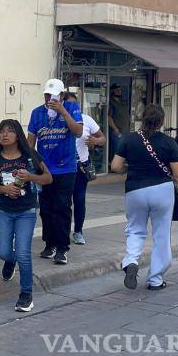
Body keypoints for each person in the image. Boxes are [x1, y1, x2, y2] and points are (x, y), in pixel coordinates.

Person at [111, 105, 178, 291]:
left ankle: (131, 261)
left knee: (135, 229)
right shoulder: (169, 142)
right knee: (161, 234)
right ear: (161, 122)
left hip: (135, 190)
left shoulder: (128, 139)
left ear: (142, 119)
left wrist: (132, 167)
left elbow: (115, 166)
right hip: (162, 190)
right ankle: (155, 279)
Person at [0, 119, 52, 312]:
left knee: (23, 253)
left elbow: (48, 178)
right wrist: (5, 189)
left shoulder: (30, 156)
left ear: (18, 135)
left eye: (9, 131)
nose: (4, 135)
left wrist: (30, 177)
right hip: (4, 211)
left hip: (26, 211)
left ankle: (26, 294)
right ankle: (10, 260)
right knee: (3, 252)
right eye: (1, 131)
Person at [27, 78, 83, 265]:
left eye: (53, 95)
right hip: (45, 169)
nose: (49, 98)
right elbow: (31, 142)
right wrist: (30, 165)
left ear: (61, 95)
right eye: (47, 95)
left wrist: (63, 112)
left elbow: (78, 132)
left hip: (66, 168)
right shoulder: (37, 113)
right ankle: (49, 243)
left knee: (62, 207)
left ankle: (62, 247)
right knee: (46, 208)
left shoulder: (72, 108)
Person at [64, 92, 106, 245]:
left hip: (80, 166)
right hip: (63, 167)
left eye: (74, 104)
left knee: (79, 199)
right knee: (63, 201)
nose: (72, 107)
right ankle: (62, 231)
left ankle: (78, 231)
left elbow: (102, 138)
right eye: (68, 104)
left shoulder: (86, 119)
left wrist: (95, 140)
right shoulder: (58, 120)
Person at [108, 84, 130, 163]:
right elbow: (108, 117)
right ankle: (114, 166)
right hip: (117, 131)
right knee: (117, 150)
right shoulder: (111, 103)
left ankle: (120, 165)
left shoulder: (122, 102)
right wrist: (115, 128)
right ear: (112, 91)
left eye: (119, 90)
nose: (119, 91)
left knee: (123, 150)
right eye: (117, 90)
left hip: (125, 131)